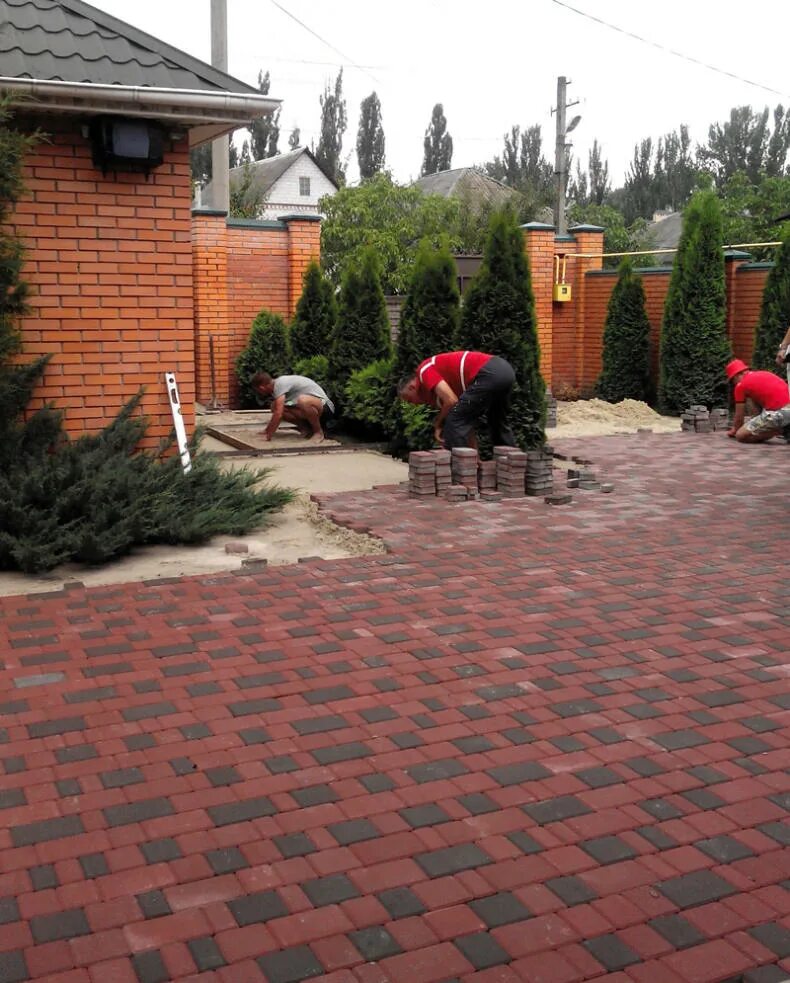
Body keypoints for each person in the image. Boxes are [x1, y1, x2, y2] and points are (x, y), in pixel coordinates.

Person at [398, 350, 516, 450]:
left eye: (409, 400)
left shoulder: (423, 371)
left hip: (489, 372)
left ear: (412, 387)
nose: (413, 404)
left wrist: (439, 423)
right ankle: (513, 465)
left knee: (454, 418)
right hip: (505, 370)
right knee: (497, 421)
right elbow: (465, 421)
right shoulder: (442, 391)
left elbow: (451, 401)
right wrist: (474, 456)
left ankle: (458, 472)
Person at [251, 371, 334, 444]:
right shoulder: (276, 388)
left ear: (261, 388)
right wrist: (266, 431)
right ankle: (306, 429)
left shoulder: (280, 384)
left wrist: (268, 435)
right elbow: (278, 409)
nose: (259, 393)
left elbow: (278, 413)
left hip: (325, 406)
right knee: (274, 406)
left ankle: (318, 432)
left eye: (258, 390)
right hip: (311, 409)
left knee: (303, 400)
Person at [725, 358, 790, 443]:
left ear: (737, 375)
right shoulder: (762, 374)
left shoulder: (740, 385)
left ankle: (782, 430)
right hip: (786, 410)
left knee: (740, 435)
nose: (734, 384)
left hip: (782, 413)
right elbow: (756, 410)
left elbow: (739, 417)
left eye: (732, 380)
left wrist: (734, 431)